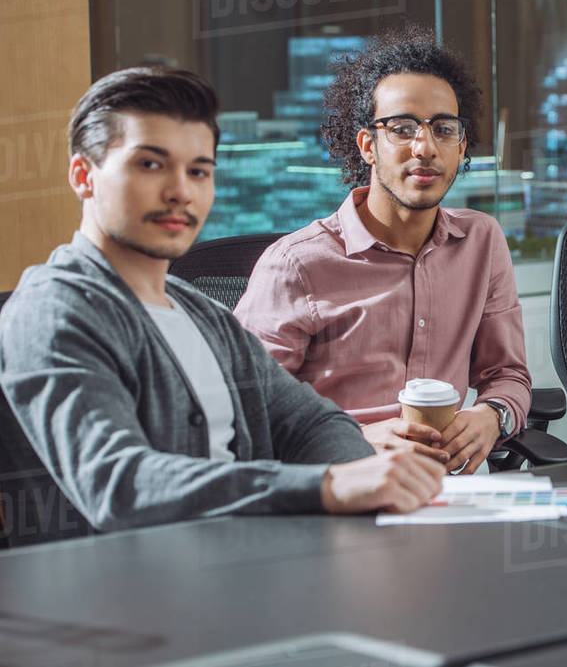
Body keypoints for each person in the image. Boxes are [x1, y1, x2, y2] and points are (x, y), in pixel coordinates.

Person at [0, 67, 444, 544]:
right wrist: (328, 485)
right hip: (125, 601)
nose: (180, 191)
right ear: (83, 176)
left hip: (248, 572)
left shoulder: (201, 313)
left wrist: (371, 484)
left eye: (198, 170)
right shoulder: (53, 310)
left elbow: (311, 422)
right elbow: (119, 485)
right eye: (150, 165)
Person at [235, 26, 530, 475]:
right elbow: (244, 410)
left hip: (445, 494)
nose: (425, 147)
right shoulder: (296, 265)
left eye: (443, 129)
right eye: (403, 128)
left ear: (461, 147)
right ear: (368, 146)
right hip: (336, 493)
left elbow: (507, 376)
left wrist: (492, 416)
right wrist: (353, 440)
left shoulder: (481, 242)